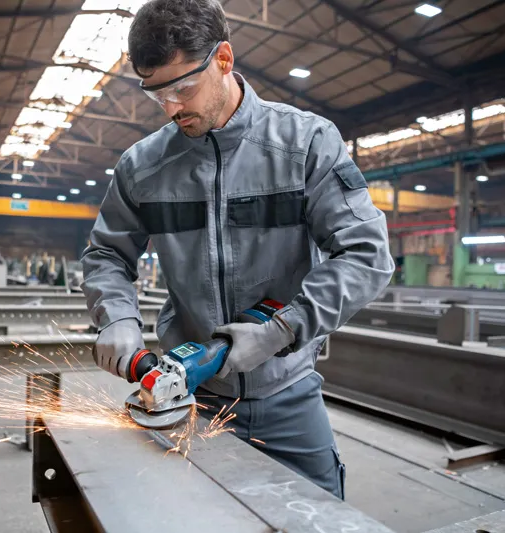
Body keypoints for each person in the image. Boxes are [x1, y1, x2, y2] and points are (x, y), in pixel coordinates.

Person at [80, 0, 394, 500]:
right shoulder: (141, 167)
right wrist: (116, 317)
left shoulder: (306, 144)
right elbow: (106, 256)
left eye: (183, 88)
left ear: (223, 59)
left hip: (287, 391)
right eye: (156, 93)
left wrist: (280, 331)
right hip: (190, 399)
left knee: (323, 518)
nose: (171, 108)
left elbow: (366, 255)